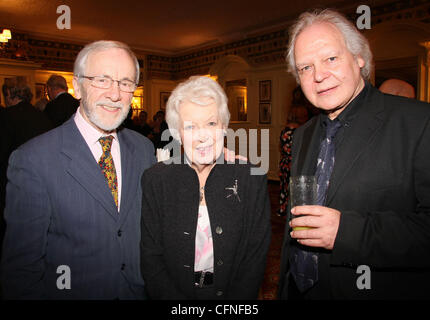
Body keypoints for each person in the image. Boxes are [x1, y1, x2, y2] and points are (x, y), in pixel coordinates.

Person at [278, 9, 430, 299]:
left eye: (330, 59)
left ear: (360, 58)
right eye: (305, 68)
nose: (319, 75)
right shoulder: (303, 135)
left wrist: (347, 232)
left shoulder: (419, 123)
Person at [1, 40, 156, 299]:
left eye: (126, 83)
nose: (115, 94)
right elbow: (21, 271)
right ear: (76, 85)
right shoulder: (33, 160)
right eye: (102, 80)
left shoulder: (143, 149)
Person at [140, 76, 271, 299]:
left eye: (211, 123)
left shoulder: (250, 177)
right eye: (191, 126)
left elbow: (255, 257)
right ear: (177, 133)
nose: (203, 136)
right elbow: (151, 257)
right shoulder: (156, 180)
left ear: (224, 126)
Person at [0, 80, 53, 260]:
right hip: (45, 183)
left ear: (8, 95)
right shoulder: (41, 116)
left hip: (12, 184)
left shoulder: (7, 117)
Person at [278, 87, 310, 217]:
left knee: (286, 188)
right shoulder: (298, 132)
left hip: (285, 164)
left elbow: (283, 148)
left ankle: (284, 210)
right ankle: (293, 211)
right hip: (293, 164)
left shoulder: (286, 130)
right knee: (293, 189)